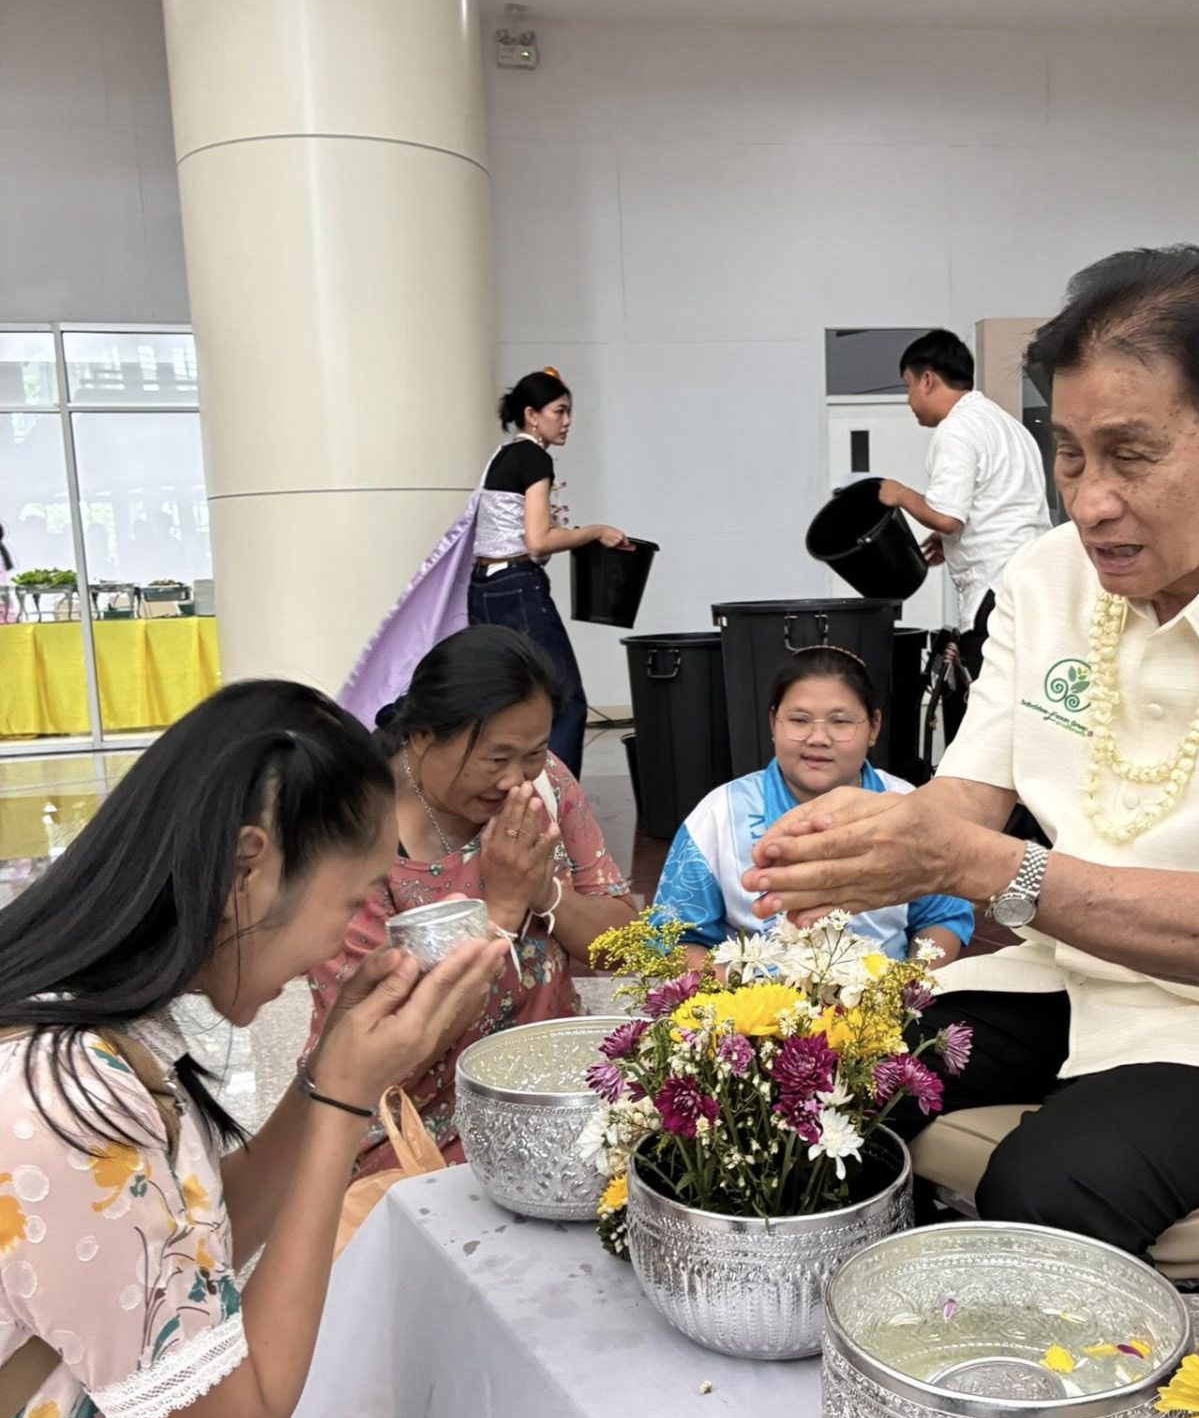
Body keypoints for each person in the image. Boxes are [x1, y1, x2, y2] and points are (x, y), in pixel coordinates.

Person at [742, 244, 1199, 1257]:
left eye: (1131, 454)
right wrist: (863, 844)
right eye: (1068, 454)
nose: (1090, 500)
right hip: (1083, 972)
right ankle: (799, 1312)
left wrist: (982, 868)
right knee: (823, 1070)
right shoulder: (1044, 580)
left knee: (1052, 1182)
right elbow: (967, 799)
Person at [0, 680, 506, 1418]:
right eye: (349, 898)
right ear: (248, 869)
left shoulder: (95, 1029)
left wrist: (326, 1076)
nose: (344, 941)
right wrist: (344, 1103)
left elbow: (180, 1241)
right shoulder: (64, 1097)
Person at [310, 624, 636, 1174]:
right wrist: (503, 911)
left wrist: (543, 890)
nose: (515, 780)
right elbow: (376, 1052)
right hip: (414, 1129)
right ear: (422, 736)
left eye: (533, 753)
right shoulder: (353, 841)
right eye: (495, 758)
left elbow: (625, 947)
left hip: (556, 1102)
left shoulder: (546, 787)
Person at [654, 645, 973, 972]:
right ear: (773, 722)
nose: (818, 738)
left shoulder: (907, 806)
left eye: (840, 721)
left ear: (874, 727)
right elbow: (674, 937)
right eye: (799, 720)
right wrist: (741, 996)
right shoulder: (720, 814)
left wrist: (907, 987)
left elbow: (943, 916)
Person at [465, 369, 631, 777]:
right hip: (518, 587)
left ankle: (503, 788)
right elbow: (538, 541)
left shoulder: (502, 456)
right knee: (564, 699)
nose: (567, 421)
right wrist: (595, 532)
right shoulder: (535, 458)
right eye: (559, 411)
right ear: (531, 414)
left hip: (484, 588)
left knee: (503, 701)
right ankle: (558, 797)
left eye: (569, 411)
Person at [876, 328, 1052, 682]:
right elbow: (1000, 503)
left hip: (994, 590)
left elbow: (946, 517)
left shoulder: (956, 429)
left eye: (907, 386)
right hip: (1032, 580)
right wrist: (953, 541)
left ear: (927, 380)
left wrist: (899, 493)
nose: (909, 400)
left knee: (992, 698)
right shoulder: (1005, 424)